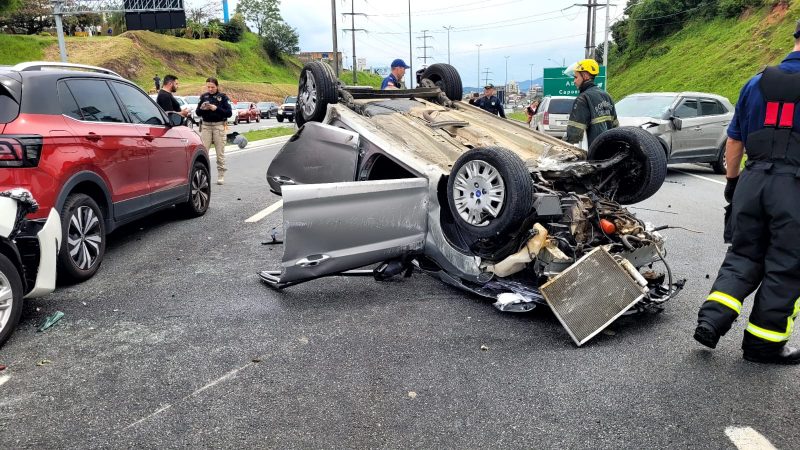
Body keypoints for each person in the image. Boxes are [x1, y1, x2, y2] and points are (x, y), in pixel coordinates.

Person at [693, 23, 800, 365]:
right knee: (786, 267)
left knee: (744, 255)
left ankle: (712, 319)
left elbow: (735, 140)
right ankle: (762, 345)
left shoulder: (754, 83)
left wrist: (732, 182)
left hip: (752, 183)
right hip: (794, 188)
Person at [563, 58, 618, 148]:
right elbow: (615, 126)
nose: (574, 81)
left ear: (585, 76)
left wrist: (563, 147)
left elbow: (574, 133)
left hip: (593, 151)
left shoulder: (583, 98)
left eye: (576, 77)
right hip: (609, 149)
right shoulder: (607, 96)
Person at [196, 77, 233, 185]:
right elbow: (198, 113)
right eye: (208, 87)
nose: (210, 89)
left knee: (220, 153)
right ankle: (204, 176)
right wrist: (203, 108)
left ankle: (221, 175)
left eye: (212, 87)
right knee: (203, 153)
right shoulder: (203, 97)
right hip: (206, 126)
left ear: (217, 86)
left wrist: (215, 108)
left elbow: (229, 113)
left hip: (219, 126)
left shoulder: (223, 97)